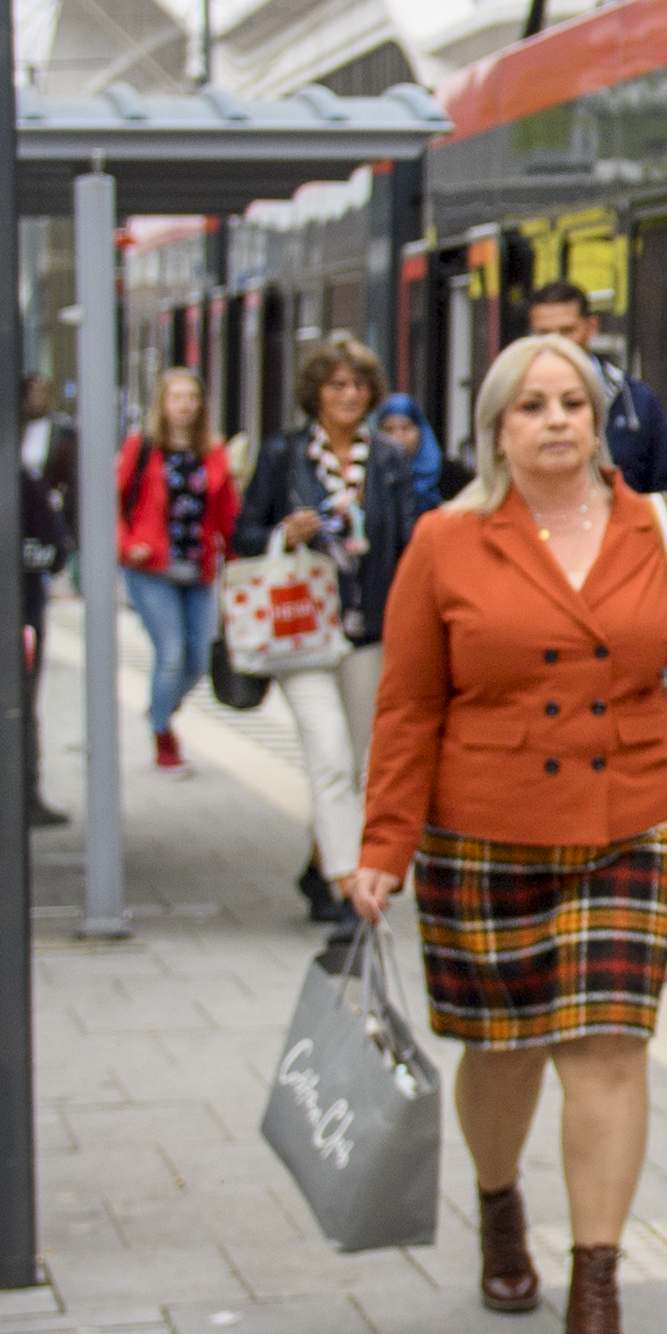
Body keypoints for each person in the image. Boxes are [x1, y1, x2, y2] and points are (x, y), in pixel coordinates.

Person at [343, 333, 667, 1334]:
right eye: (531, 406)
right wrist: (383, 845)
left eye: (572, 403)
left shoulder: (663, 530)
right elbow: (408, 706)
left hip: (628, 822)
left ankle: (596, 1292)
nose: (556, 422)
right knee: (502, 1049)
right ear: (497, 429)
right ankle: (499, 1204)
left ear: (599, 421)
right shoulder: (446, 541)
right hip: (482, 828)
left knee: (608, 1048)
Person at [234, 335, 433, 940]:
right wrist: (284, 534)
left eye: (359, 385)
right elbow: (244, 533)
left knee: (355, 761)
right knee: (328, 756)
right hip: (301, 633)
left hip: (367, 629)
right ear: (315, 393)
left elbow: (409, 543)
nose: (349, 395)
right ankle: (350, 891)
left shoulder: (388, 460)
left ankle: (320, 865)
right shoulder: (283, 454)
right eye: (337, 385)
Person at [115, 368, 236, 774]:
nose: (185, 405)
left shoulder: (213, 450)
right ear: (162, 403)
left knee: (198, 660)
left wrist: (238, 559)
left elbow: (227, 512)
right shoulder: (142, 447)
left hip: (198, 569)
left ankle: (159, 706)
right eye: (177, 397)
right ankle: (162, 733)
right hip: (150, 567)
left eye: (192, 397)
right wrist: (127, 546)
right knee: (171, 654)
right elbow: (113, 501)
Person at [524, 279, 667, 504]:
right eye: (544, 334)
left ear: (592, 327)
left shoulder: (635, 401)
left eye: (567, 331)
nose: (556, 344)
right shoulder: (514, 403)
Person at [17, 377, 81, 825]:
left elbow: (56, 545)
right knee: (23, 701)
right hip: (25, 607)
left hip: (17, 607)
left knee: (20, 700)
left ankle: (22, 792)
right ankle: (26, 793)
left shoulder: (21, 477)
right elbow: (55, 547)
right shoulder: (24, 479)